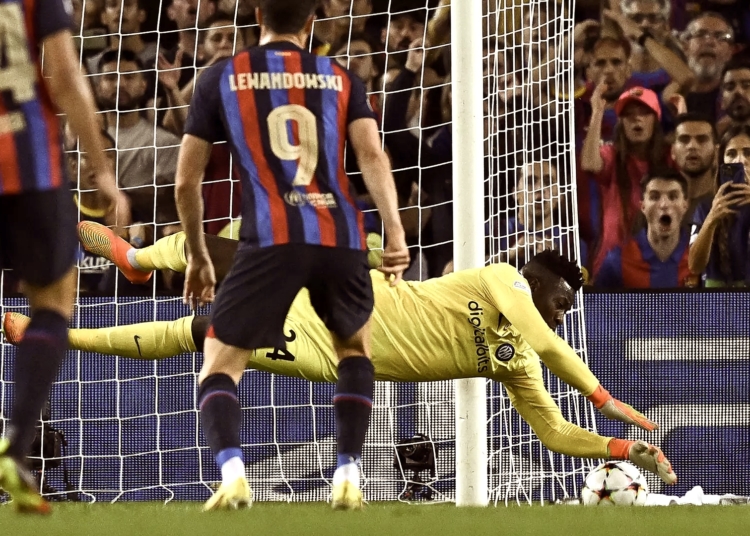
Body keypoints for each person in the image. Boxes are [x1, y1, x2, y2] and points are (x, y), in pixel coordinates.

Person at [3, 249, 678, 489]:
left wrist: (621, 448)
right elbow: (547, 339)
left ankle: (53, 335)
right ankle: (136, 260)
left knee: (201, 333)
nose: (562, 314)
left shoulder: (518, 362)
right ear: (537, 280)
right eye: (562, 300)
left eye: (567, 308)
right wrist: (606, 398)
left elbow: (554, 432)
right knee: (229, 259)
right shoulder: (504, 279)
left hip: (327, 351)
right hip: (342, 296)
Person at [171, 0, 409, 511]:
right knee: (354, 353)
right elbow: (372, 155)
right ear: (311, 22)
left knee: (219, 365)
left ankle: (233, 473)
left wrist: (198, 254)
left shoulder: (220, 77)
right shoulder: (340, 77)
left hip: (271, 237)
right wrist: (393, 230)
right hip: (341, 234)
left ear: (258, 17)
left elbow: (186, 181)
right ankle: (348, 471)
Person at [0, 0, 127, 514]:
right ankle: (16, 448)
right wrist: (102, 171)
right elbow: (66, 75)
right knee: (53, 304)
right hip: (28, 163)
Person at [580, 85, 672, 277]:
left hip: (656, 261)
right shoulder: (612, 155)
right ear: (621, 123)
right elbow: (589, 163)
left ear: (656, 119)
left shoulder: (668, 157)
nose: (636, 119)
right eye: (629, 115)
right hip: (612, 263)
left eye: (644, 113)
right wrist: (597, 112)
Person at [595, 170, 695, 288]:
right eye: (655, 197)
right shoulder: (617, 261)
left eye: (673, 197)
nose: (664, 204)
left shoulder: (699, 258)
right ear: (643, 206)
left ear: (685, 205)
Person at [689, 124, 750, 286]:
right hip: (717, 299)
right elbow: (694, 266)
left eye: (748, 153)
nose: (740, 160)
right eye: (731, 154)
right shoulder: (705, 208)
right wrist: (712, 219)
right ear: (722, 161)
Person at [670, 113, 719, 221]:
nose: (692, 146)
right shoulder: (659, 206)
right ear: (673, 151)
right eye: (684, 140)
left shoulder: (728, 203)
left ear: (716, 151)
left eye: (701, 140)